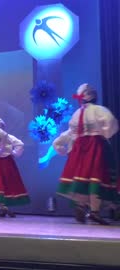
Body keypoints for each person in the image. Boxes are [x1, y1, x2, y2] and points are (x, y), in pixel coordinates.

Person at [54, 83, 118, 225]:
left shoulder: (77, 114)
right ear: (93, 96)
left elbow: (71, 132)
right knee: (96, 177)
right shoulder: (99, 110)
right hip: (95, 146)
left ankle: (81, 206)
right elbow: (111, 122)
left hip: (79, 149)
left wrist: (61, 146)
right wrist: (105, 134)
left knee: (82, 178)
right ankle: (94, 211)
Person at [0, 118, 30, 217]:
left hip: (5, 162)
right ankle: (1, 206)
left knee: (6, 183)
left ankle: (3, 206)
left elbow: (19, 144)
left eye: (0, 126)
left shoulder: (8, 137)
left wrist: (13, 153)